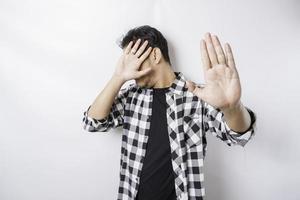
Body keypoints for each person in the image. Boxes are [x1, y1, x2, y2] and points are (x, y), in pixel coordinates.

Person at [82, 25, 257, 200]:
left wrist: (231, 107)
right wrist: (118, 77)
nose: (130, 67)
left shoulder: (198, 95)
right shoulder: (130, 96)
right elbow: (92, 123)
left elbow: (238, 136)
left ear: (155, 55)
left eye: (133, 58)